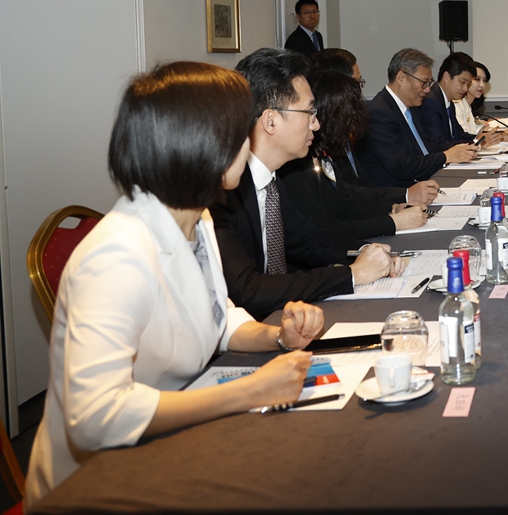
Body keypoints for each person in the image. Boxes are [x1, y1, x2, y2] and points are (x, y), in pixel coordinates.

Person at [25, 62, 326, 507]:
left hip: (179, 438)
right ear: (201, 146)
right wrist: (247, 391)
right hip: (101, 480)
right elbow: (95, 417)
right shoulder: (116, 255)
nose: (248, 145)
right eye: (239, 134)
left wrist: (276, 335)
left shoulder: (196, 216)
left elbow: (216, 318)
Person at [211, 48, 402, 320]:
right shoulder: (223, 192)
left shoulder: (272, 180)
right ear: (271, 120)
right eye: (309, 112)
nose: (316, 124)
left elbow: (309, 240)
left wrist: (362, 251)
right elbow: (248, 290)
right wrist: (351, 274)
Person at [278, 70, 430, 240]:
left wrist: (391, 209)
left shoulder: (322, 156)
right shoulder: (293, 170)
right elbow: (326, 229)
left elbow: (345, 203)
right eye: (347, 119)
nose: (351, 129)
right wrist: (393, 222)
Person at [356, 48, 479, 189]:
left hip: (428, 181)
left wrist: (457, 152)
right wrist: (446, 156)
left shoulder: (412, 108)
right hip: (400, 195)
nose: (427, 89)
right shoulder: (378, 113)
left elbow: (425, 149)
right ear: (401, 78)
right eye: (424, 82)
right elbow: (400, 166)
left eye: (429, 83)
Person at [455, 61, 492, 135]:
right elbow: (463, 136)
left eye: (484, 80)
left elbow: (472, 130)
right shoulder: (457, 105)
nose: (482, 85)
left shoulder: (469, 105)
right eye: (477, 79)